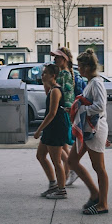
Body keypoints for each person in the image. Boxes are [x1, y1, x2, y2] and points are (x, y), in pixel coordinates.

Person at [67, 49, 110, 215]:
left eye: (79, 66)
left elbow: (100, 107)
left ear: (86, 67)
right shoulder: (91, 82)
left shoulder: (97, 83)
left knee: (99, 167)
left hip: (95, 130)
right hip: (87, 129)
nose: (78, 69)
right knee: (72, 161)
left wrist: (81, 109)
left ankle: (103, 204)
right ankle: (94, 194)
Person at [34, 64, 70, 199]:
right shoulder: (50, 89)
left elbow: (52, 113)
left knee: (56, 161)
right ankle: (53, 184)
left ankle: (62, 190)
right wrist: (45, 84)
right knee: (41, 155)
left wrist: (39, 130)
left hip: (55, 128)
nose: (42, 75)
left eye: (45, 73)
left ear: (53, 76)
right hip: (50, 128)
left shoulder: (55, 91)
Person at [51, 47, 78, 187]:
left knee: (59, 145)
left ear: (64, 59)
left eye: (57, 57)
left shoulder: (64, 75)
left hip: (63, 112)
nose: (55, 59)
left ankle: (73, 170)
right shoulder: (64, 73)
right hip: (65, 112)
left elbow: (63, 97)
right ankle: (69, 173)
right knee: (64, 145)